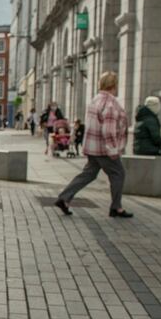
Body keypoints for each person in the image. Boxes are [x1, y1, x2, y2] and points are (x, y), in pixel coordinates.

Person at [54, 71, 133, 218]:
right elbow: (108, 130)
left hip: (92, 147)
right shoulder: (110, 103)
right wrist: (113, 150)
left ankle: (64, 198)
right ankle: (116, 207)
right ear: (114, 85)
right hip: (104, 149)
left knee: (88, 174)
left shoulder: (95, 100)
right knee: (118, 174)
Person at [134, 96, 161, 165]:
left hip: (138, 148)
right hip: (149, 149)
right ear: (154, 106)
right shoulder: (150, 119)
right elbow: (156, 139)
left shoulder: (141, 116)